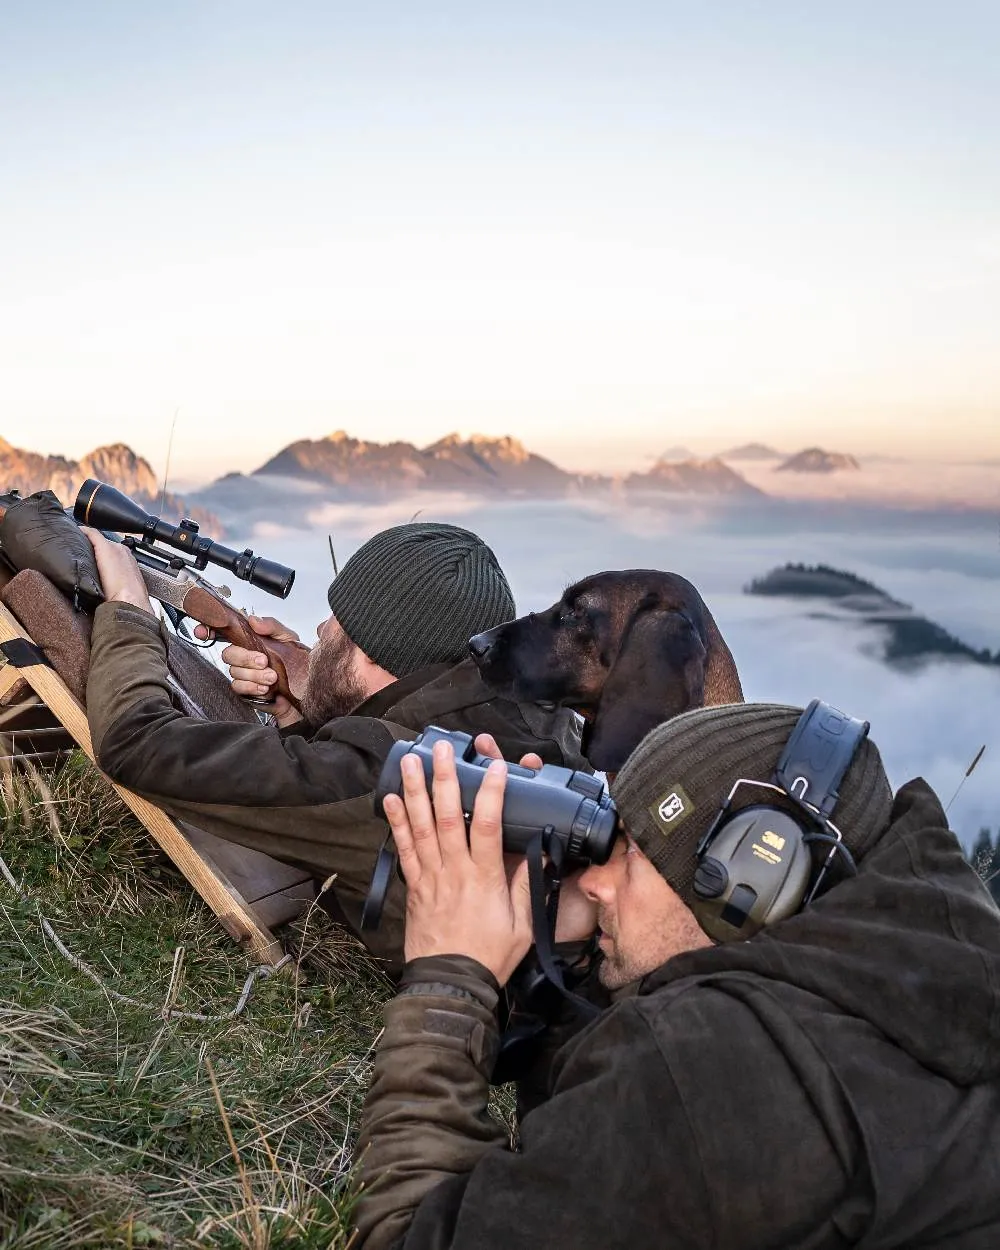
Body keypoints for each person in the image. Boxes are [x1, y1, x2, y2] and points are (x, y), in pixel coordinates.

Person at [354, 703, 1000, 1248]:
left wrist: (449, 981)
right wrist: (568, 953)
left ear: (749, 887)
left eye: (632, 852)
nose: (600, 878)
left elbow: (410, 1236)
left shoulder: (712, 1063)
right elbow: (611, 1176)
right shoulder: (920, 976)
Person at [81, 521, 586, 972]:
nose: (319, 631)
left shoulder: (382, 775)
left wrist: (128, 607)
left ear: (370, 651)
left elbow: (134, 741)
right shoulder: (526, 717)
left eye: (336, 621)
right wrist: (300, 711)